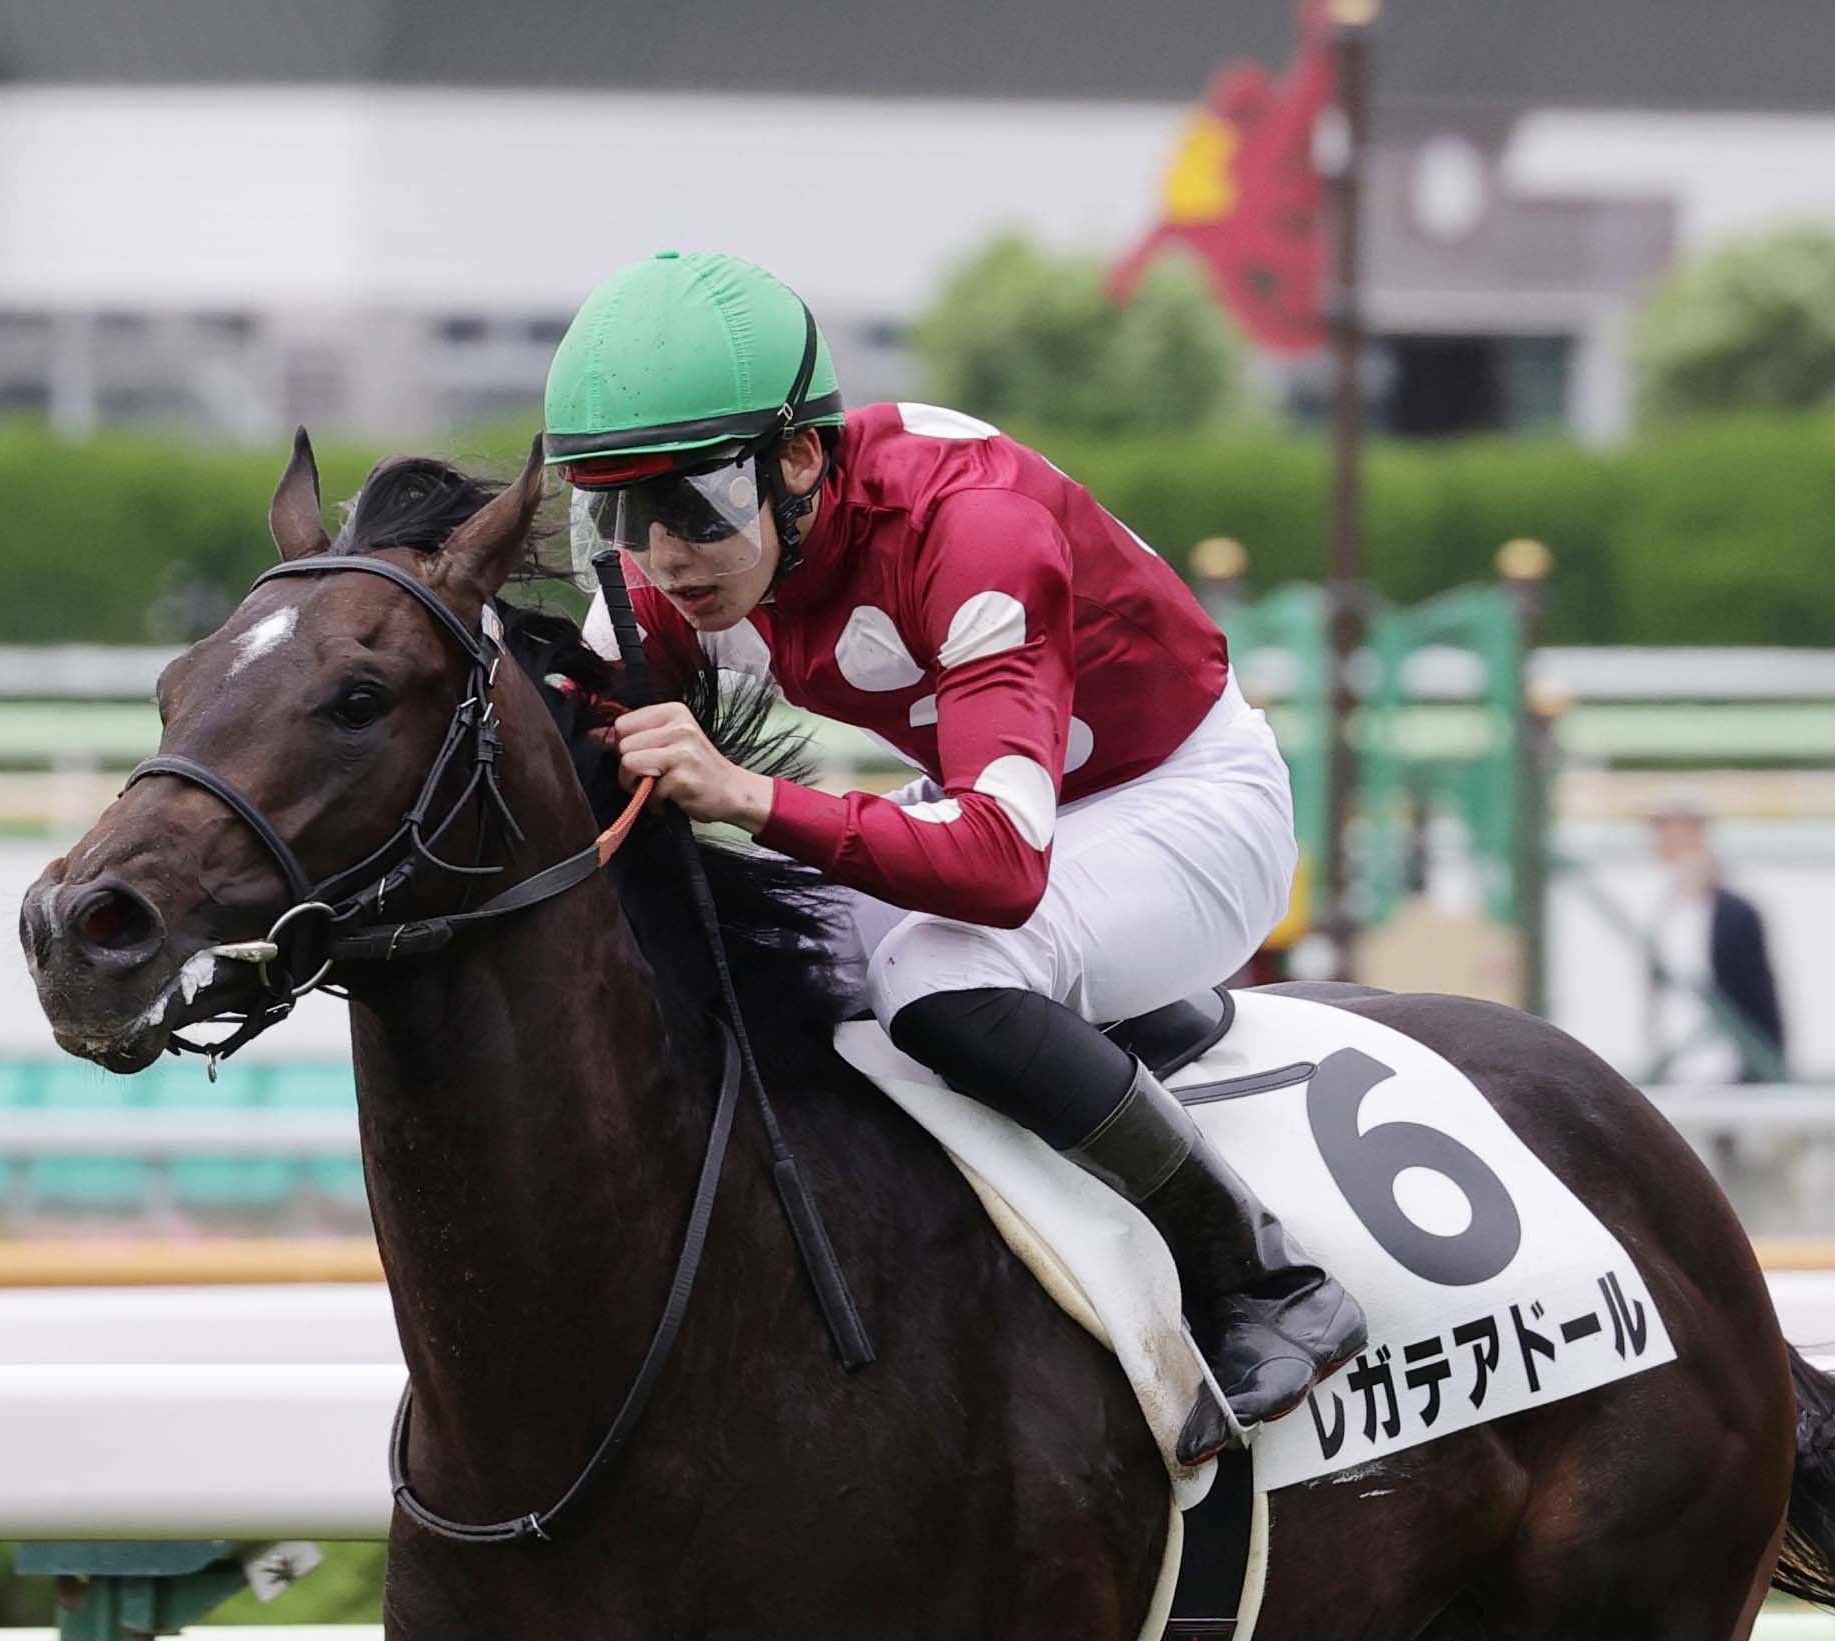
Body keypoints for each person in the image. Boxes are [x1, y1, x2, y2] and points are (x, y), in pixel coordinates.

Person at [547, 248, 1364, 1462]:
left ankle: (1261, 1276)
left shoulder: (972, 529)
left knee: (938, 976)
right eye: (621, 510)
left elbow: (998, 866)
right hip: (1015, 802)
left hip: (1189, 804)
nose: (664, 555)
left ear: (799, 459)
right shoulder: (689, 561)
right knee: (764, 955)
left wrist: (751, 798)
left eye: (695, 504)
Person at [1642, 790, 1790, 1083]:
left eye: (1666, 827)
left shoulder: (1733, 912)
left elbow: (1756, 995)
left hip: (1727, 1066)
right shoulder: (1667, 906)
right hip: (1679, 1064)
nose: (1658, 838)